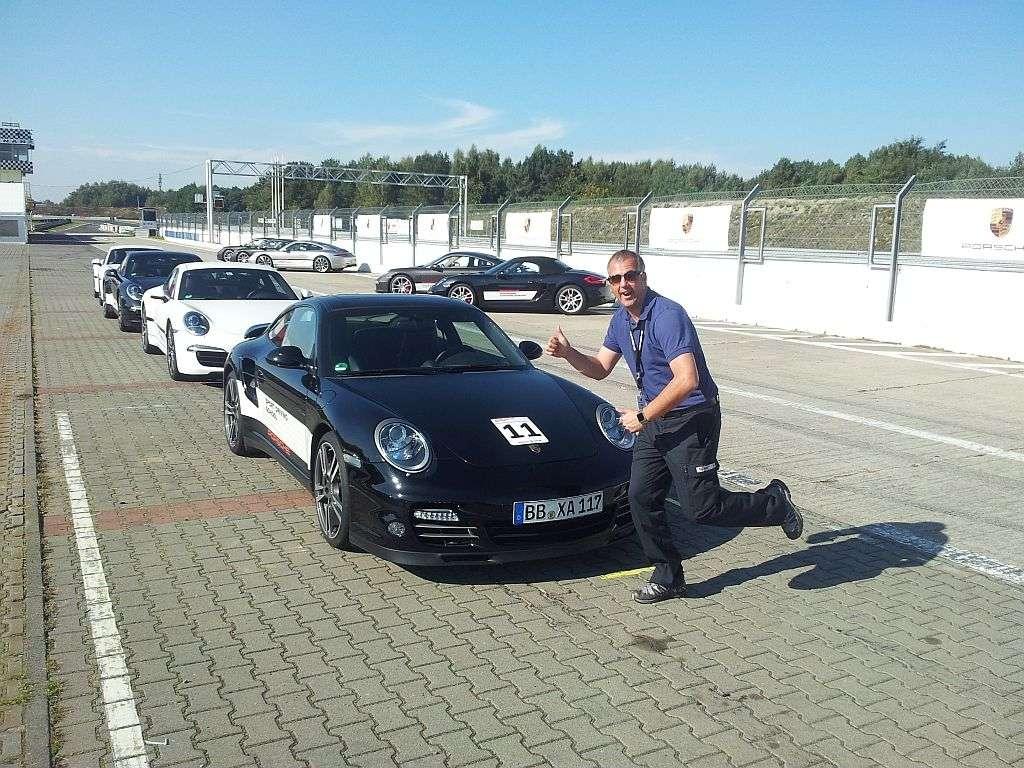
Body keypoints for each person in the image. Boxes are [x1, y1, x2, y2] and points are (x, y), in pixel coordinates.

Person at [546, 249, 802, 604]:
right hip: (654, 420)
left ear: (644, 277)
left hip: (691, 418)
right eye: (616, 279)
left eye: (631, 276)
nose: (624, 285)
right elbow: (601, 367)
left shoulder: (667, 316)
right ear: (609, 284)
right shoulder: (621, 320)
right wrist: (568, 353)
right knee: (641, 497)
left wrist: (641, 417)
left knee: (702, 508)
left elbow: (687, 380)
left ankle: (774, 503)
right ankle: (668, 577)